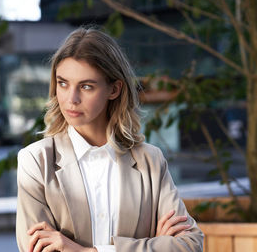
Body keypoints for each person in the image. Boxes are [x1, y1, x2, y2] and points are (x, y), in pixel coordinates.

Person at [15, 27, 204, 252]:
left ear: (114, 89)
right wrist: (153, 245)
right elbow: (36, 248)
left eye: (86, 86)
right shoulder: (36, 161)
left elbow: (189, 245)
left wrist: (85, 251)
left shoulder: (149, 160)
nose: (71, 99)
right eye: (63, 83)